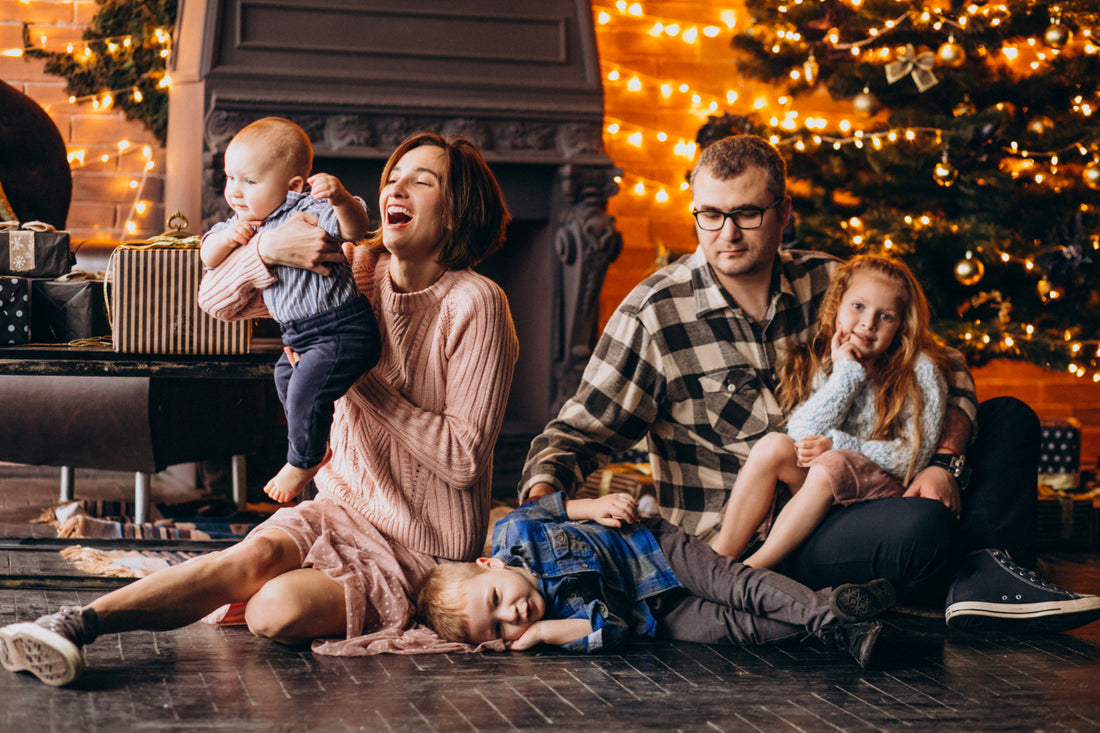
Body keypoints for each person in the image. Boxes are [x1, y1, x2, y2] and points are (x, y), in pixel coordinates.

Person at [519, 133, 1100, 634]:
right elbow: (575, 434)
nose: (727, 233)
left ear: (782, 211)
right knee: (922, 528)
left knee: (1009, 418)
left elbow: (944, 368)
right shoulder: (655, 312)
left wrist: (941, 463)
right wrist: (541, 524)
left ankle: (986, 580)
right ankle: (982, 577)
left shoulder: (831, 281)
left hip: (866, 485)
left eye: (746, 213)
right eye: (710, 215)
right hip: (761, 544)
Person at [0, 132, 519, 687]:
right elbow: (214, 302)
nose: (397, 188)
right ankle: (74, 625)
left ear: (459, 211)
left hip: (423, 548)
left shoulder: (476, 302)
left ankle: (372, 601)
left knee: (276, 610)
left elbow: (463, 459)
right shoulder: (356, 264)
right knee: (251, 557)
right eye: (393, 176)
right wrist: (265, 251)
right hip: (341, 508)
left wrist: (353, 371)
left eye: (422, 181)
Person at [416, 491, 897, 668]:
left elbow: (553, 507)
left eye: (497, 600)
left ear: (490, 566)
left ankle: (842, 626)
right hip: (660, 615)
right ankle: (846, 603)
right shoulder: (551, 626)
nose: (512, 615)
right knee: (740, 630)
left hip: (654, 550)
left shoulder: (513, 531)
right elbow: (613, 629)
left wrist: (595, 507)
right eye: (498, 628)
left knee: (740, 586)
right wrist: (542, 633)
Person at [713, 255, 950, 569]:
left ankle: (751, 570)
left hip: (883, 497)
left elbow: (912, 456)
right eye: (858, 307)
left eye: (886, 316)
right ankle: (716, 561)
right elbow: (799, 435)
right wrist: (846, 375)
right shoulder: (835, 363)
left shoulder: (920, 372)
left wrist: (839, 446)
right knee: (773, 446)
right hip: (823, 493)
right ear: (837, 307)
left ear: (902, 325)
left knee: (830, 464)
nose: (868, 323)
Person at [200, 117, 381, 502]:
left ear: (293, 185)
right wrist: (238, 242)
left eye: (249, 181)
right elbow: (208, 259)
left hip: (341, 329)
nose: (235, 191)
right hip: (299, 336)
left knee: (303, 392)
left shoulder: (313, 207)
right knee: (285, 381)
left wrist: (342, 199)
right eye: (231, 178)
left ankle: (302, 460)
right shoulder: (241, 224)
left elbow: (356, 231)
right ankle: (315, 448)